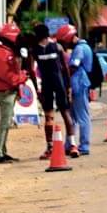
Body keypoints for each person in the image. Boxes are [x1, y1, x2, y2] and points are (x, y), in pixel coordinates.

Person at [31, 23, 76, 158]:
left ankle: (50, 148)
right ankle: (73, 145)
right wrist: (68, 86)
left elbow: (32, 72)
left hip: (46, 85)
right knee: (65, 113)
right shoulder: (57, 47)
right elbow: (65, 68)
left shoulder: (34, 50)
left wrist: (36, 89)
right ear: (48, 34)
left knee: (48, 115)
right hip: (59, 83)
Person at [0, 23, 27, 164]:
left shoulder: (6, 52)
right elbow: (7, 76)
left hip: (8, 92)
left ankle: (2, 152)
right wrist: (23, 77)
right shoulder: (0, 54)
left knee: (7, 123)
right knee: (4, 124)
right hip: (5, 93)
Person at [60, 23, 95, 158]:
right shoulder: (84, 47)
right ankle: (69, 144)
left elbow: (73, 66)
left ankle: (84, 145)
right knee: (73, 116)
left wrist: (64, 76)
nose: (65, 45)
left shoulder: (80, 48)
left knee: (82, 116)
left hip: (79, 83)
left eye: (65, 41)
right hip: (78, 83)